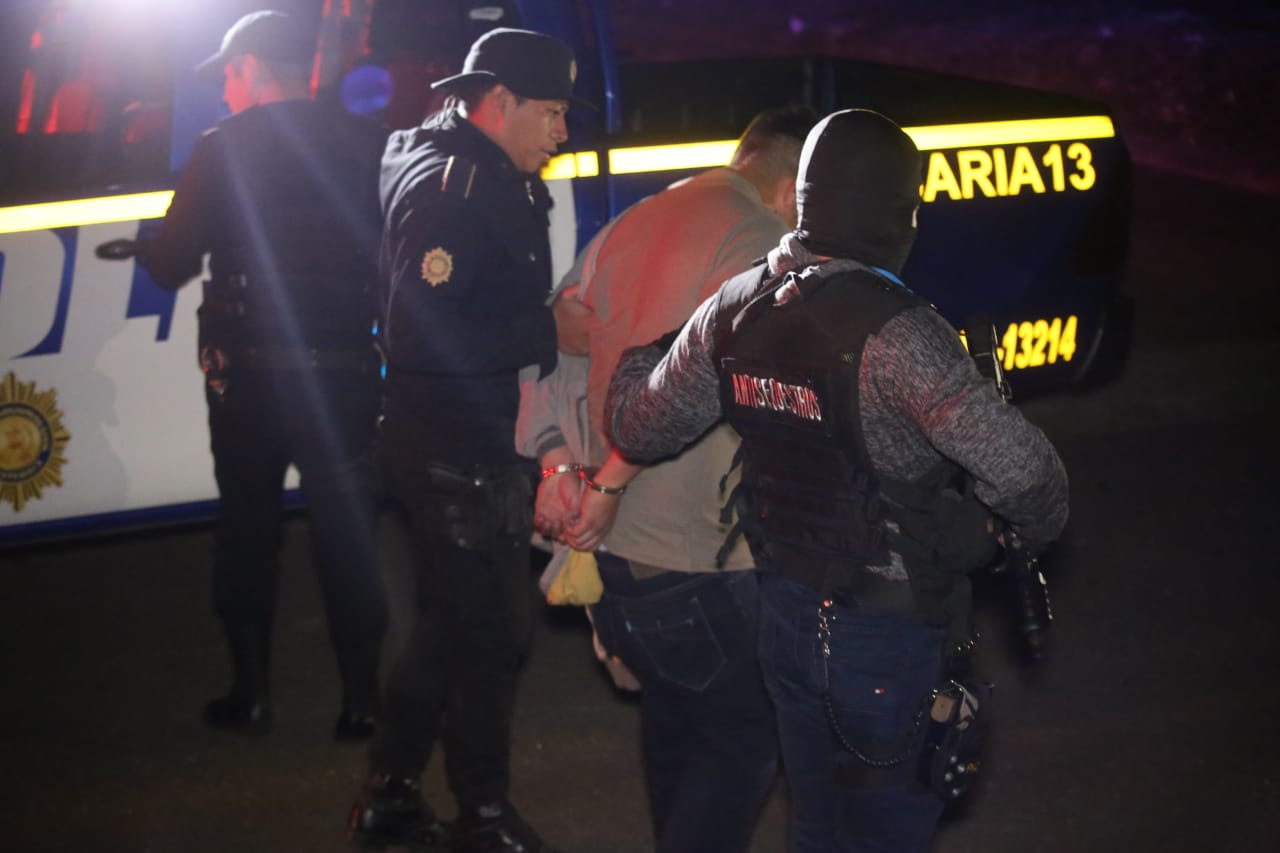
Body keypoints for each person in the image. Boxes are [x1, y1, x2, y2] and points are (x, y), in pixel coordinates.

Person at [605, 109, 1069, 853]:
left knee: (817, 828)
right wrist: (989, 535)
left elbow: (640, 424)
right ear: (900, 213)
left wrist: (649, 351)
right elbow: (1030, 475)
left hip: (784, 614)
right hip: (884, 637)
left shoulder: (738, 305)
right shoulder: (901, 333)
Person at [516, 106, 818, 853]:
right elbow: (712, 388)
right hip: (702, 557)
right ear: (791, 190)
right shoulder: (762, 245)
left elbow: (549, 340)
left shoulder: (635, 220)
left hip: (617, 555)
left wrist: (558, 463)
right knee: (743, 744)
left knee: (677, 725)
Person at [346, 28, 590, 853]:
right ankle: (481, 816)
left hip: (464, 443)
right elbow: (420, 333)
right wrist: (541, 329)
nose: (563, 132)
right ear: (499, 103)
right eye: (552, 113)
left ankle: (390, 793)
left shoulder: (483, 168)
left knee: (452, 629)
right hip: (456, 453)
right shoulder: (455, 186)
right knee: (490, 639)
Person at [132, 10, 390, 740]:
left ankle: (250, 694)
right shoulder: (369, 142)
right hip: (343, 369)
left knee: (247, 528)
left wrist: (153, 246)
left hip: (248, 376)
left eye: (229, 75)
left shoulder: (222, 148)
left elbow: (175, 258)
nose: (224, 91)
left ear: (249, 68)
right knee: (348, 532)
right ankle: (362, 702)